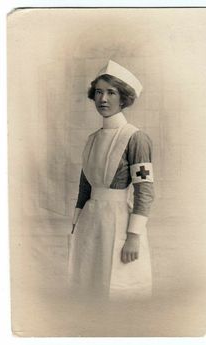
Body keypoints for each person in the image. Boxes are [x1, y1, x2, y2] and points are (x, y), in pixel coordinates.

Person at [68, 60, 154, 301]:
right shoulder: (92, 139)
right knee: (88, 284)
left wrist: (134, 236)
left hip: (119, 223)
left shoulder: (135, 138)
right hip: (89, 223)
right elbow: (85, 186)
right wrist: (75, 225)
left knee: (117, 287)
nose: (103, 99)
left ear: (123, 98)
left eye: (111, 92)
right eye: (98, 92)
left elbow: (145, 191)